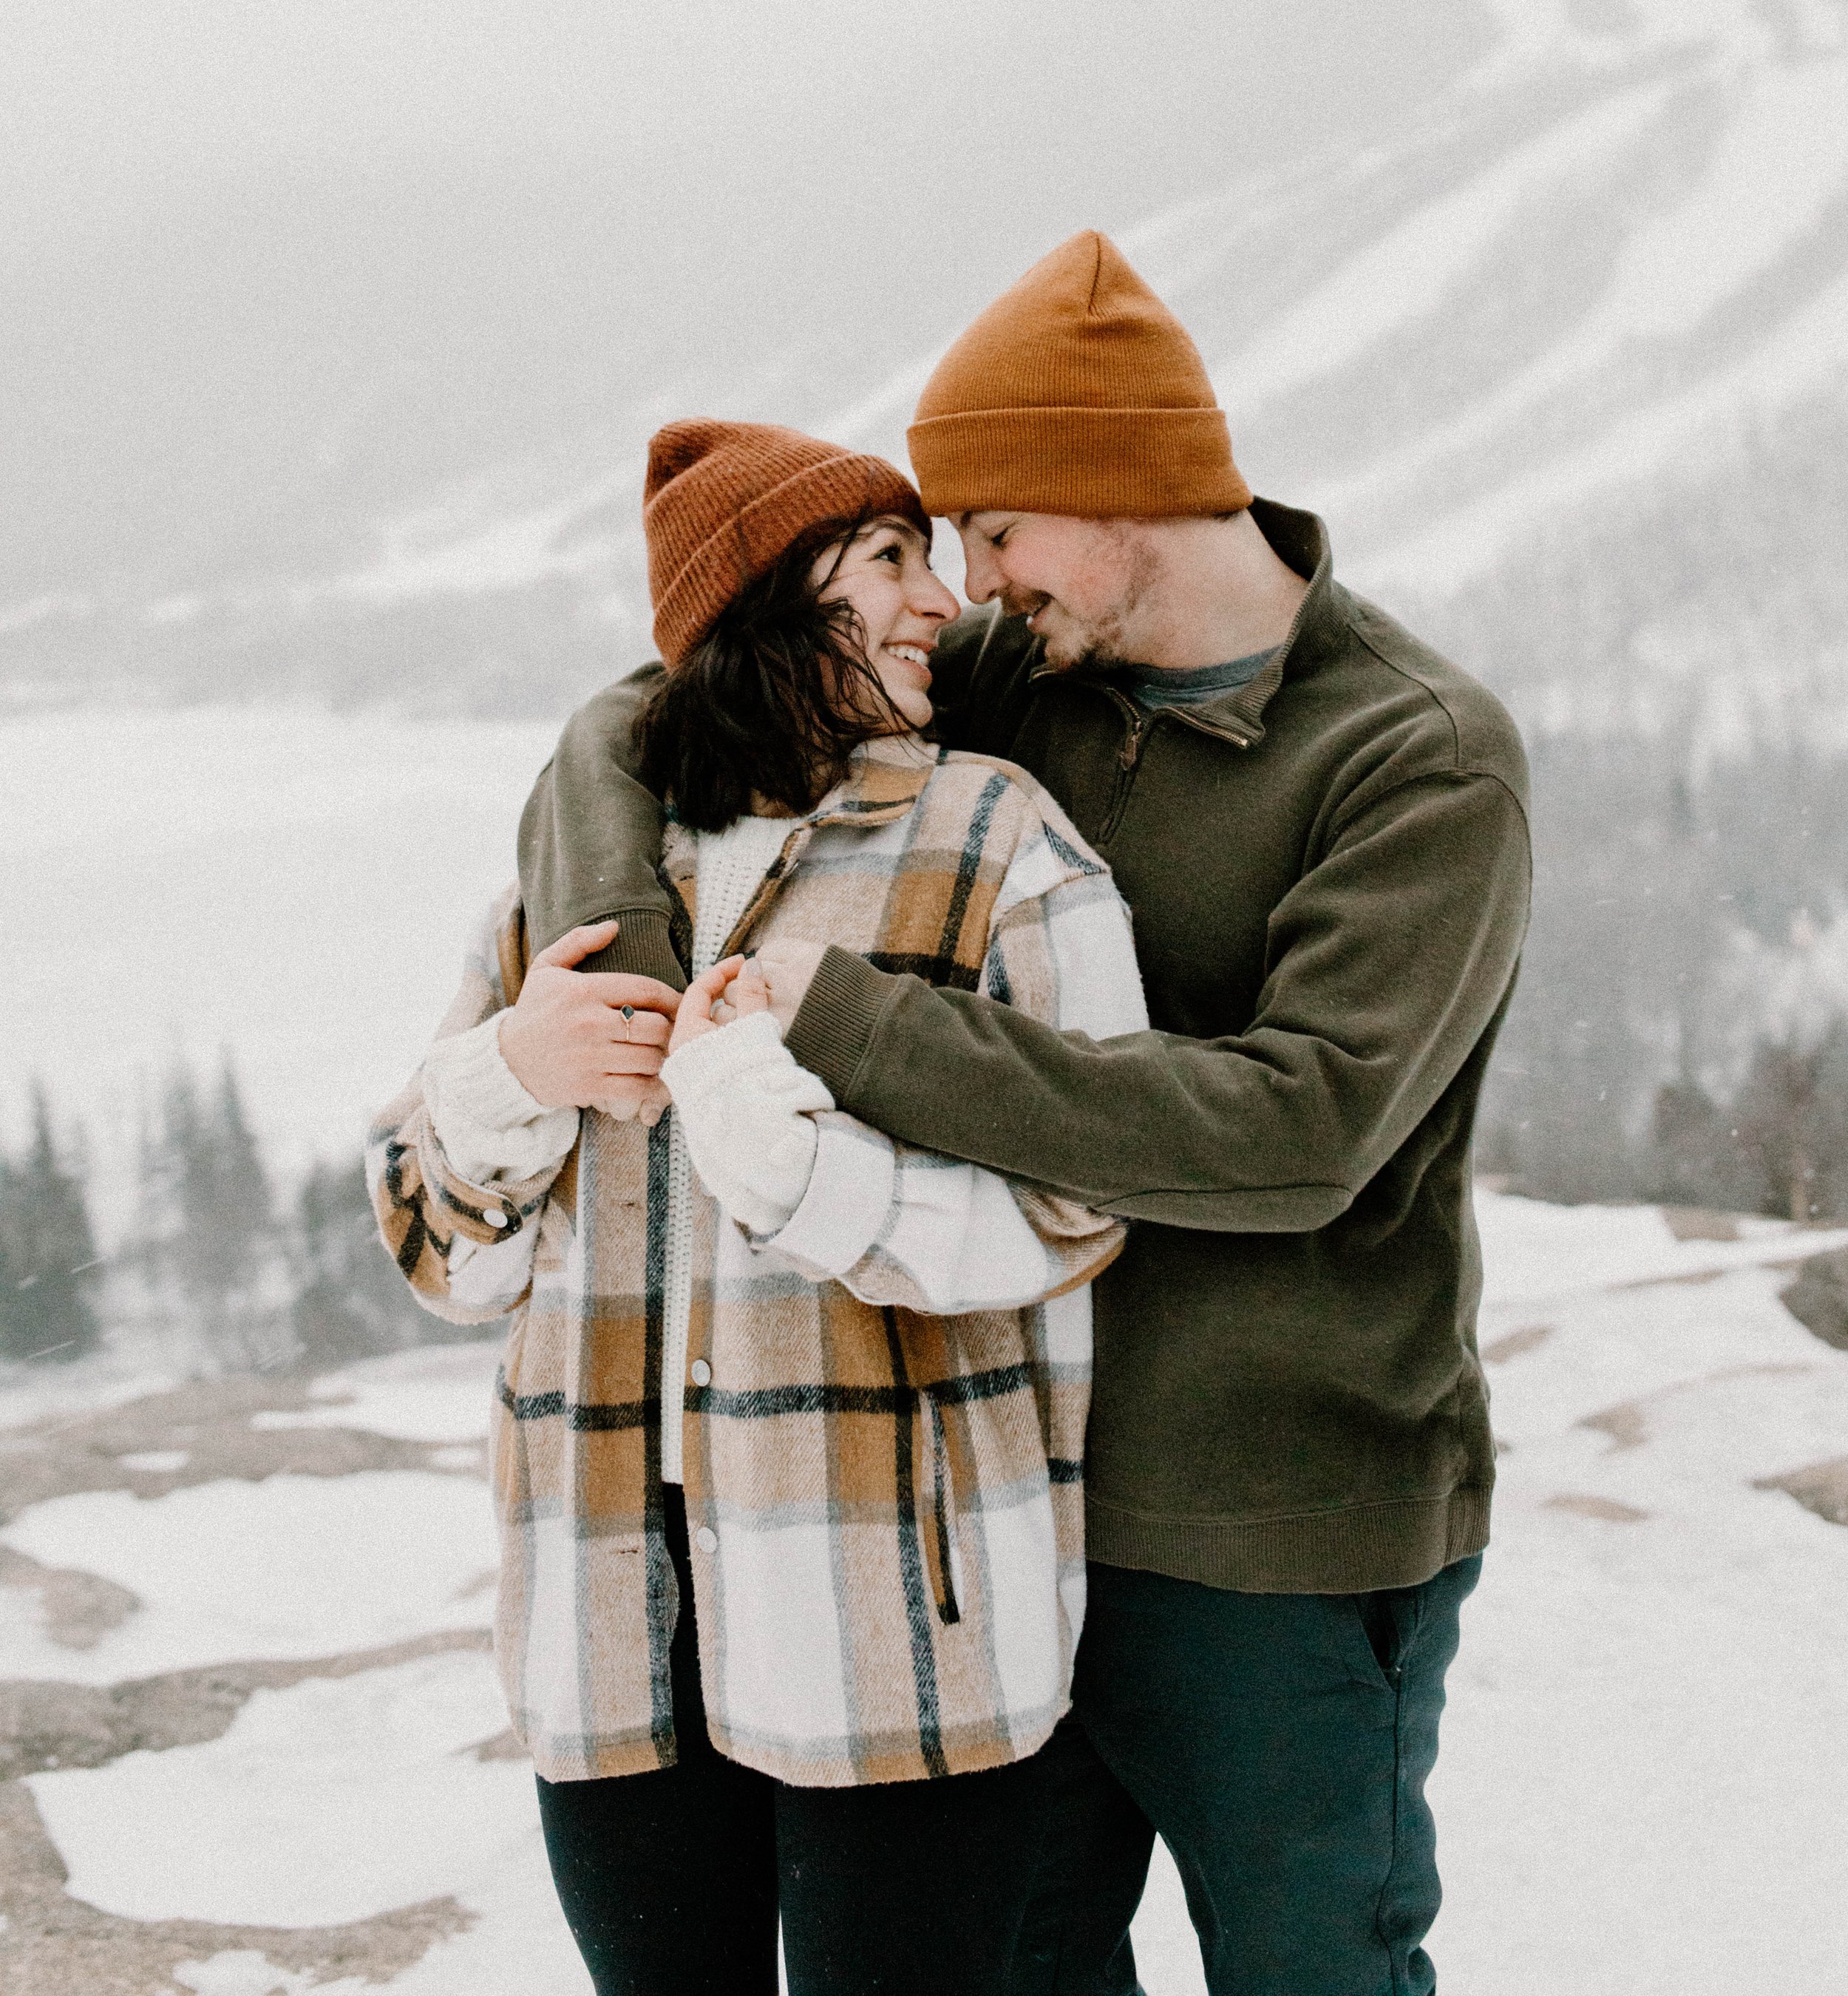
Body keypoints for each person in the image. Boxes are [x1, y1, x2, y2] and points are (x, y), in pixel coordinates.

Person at [523, 233, 1533, 1996]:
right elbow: (646, 708)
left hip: (1264, 1522)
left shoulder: (1412, 755)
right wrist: (645, 962)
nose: (967, 583)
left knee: (1312, 1974)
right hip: (1004, 1510)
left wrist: (852, 1029)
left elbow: (1299, 1134)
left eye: (991, 529)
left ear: (1120, 490)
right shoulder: (1026, 672)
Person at [368, 415, 1148, 1996]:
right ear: (763, 602)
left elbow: (1083, 1203)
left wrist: (806, 1173)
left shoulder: (994, 845)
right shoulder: (564, 894)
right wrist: (507, 1074)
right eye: (887, 561)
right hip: (609, 1613)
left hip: (894, 1619)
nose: (941, 601)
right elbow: (438, 1259)